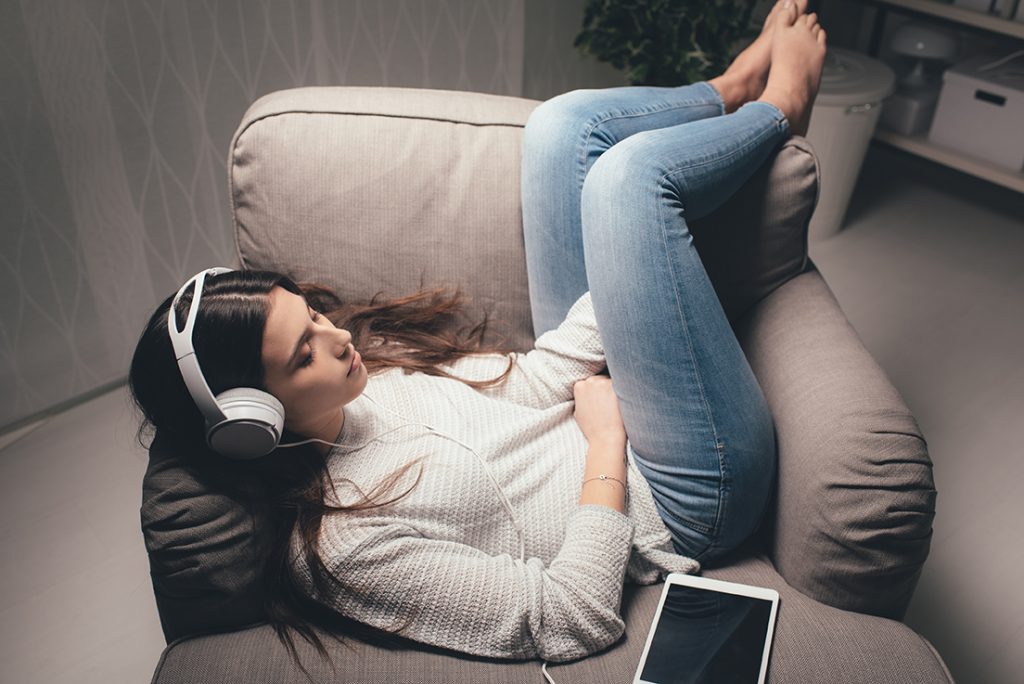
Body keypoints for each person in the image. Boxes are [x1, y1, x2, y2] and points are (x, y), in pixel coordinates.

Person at [129, 0, 826, 677]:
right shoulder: (346, 549)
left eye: (310, 313)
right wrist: (607, 445)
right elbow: (567, 616)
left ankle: (727, 90)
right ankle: (781, 109)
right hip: (677, 500)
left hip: (610, 412)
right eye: (302, 352)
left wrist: (635, 281)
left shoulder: (366, 388)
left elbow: (528, 383)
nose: (336, 335)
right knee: (627, 185)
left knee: (562, 129)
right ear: (253, 424)